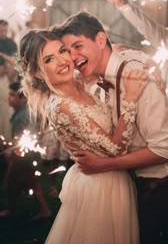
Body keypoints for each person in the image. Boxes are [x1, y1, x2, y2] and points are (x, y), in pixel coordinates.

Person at [52, 11, 168, 244]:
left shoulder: (137, 78)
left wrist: (104, 165)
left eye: (78, 46)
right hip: (135, 186)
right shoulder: (102, 77)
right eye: (68, 51)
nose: (73, 57)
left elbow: (166, 149)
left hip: (162, 189)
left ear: (99, 40)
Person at [19, 29, 150, 244]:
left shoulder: (81, 80)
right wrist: (131, 98)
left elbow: (114, 50)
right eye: (49, 59)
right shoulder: (61, 106)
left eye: (62, 51)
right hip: (101, 187)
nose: (62, 61)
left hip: (114, 178)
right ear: (37, 73)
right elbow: (116, 149)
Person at [0, 81, 51, 219]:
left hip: (23, 155)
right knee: (31, 181)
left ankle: (11, 209)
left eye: (12, 95)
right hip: (24, 154)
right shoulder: (21, 112)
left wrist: (13, 152)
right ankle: (44, 210)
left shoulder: (24, 115)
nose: (9, 98)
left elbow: (27, 136)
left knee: (11, 183)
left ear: (23, 98)